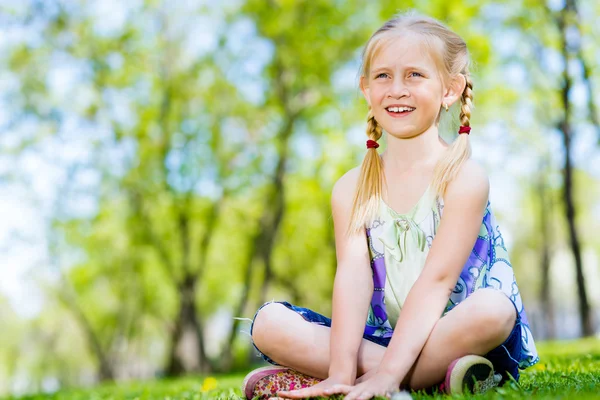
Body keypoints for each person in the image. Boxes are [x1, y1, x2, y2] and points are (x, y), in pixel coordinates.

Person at [241, 11, 538, 400]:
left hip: (456, 331)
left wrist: (388, 374)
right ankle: (421, 378)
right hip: (384, 336)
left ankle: (383, 377)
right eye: (383, 76)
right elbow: (352, 277)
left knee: (493, 310)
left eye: (415, 75)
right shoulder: (351, 188)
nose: (397, 89)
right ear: (366, 89)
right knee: (268, 322)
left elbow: (436, 284)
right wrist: (341, 368)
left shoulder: (464, 179)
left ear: (450, 89)